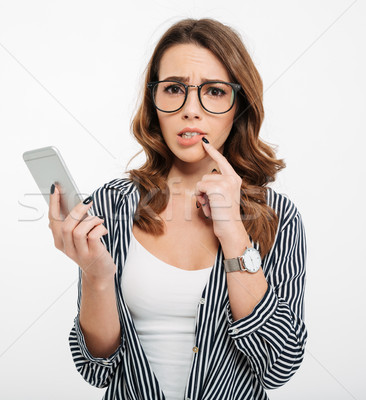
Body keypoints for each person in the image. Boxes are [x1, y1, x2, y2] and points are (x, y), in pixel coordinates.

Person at [48, 18, 307, 400]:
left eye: (214, 91)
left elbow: (278, 364)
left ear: (240, 105)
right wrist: (97, 277)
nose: (191, 110)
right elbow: (95, 368)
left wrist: (234, 230)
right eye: (173, 89)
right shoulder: (110, 205)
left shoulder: (277, 217)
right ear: (155, 102)